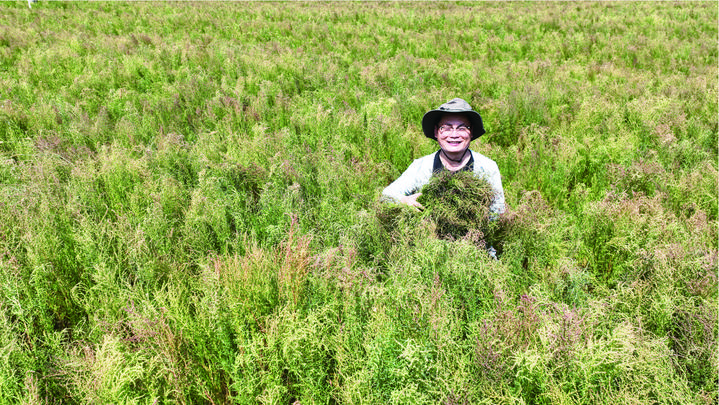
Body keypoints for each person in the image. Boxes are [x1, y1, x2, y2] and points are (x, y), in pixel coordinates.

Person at [382, 98, 505, 215]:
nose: (454, 134)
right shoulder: (422, 166)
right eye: (446, 128)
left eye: (462, 128)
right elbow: (387, 195)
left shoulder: (487, 167)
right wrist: (404, 200)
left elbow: (498, 210)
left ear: (471, 132)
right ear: (436, 132)